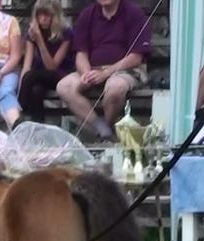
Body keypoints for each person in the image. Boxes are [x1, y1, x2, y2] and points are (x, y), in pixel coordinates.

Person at [55, 0, 152, 141]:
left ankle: (107, 129)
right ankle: (102, 129)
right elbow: (81, 53)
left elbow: (136, 57)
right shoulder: (87, 15)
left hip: (125, 70)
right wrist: (86, 73)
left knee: (115, 88)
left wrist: (106, 73)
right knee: (63, 87)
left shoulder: (134, 13)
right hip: (93, 69)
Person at [17, 0, 76, 122]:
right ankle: (38, 130)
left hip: (60, 75)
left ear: (55, 16)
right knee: (36, 90)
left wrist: (39, 41)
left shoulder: (66, 33)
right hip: (37, 76)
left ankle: (19, 111)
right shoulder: (33, 34)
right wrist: (20, 89)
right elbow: (27, 66)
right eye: (39, 15)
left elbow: (52, 67)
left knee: (30, 76)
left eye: (47, 15)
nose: (42, 19)